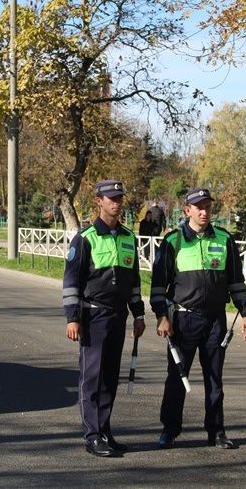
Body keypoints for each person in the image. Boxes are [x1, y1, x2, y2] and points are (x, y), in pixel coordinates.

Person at [151, 187, 246, 450]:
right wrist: (162, 316)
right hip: (183, 321)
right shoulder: (173, 241)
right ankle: (170, 430)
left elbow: (236, 281)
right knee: (176, 376)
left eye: (207, 206)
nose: (204, 211)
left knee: (214, 378)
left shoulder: (224, 240)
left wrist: (245, 313)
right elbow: (158, 286)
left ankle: (216, 431)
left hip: (216, 321)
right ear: (187, 211)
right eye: (199, 207)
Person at [62, 179, 146, 457]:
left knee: (110, 377)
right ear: (98, 201)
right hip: (93, 315)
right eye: (111, 198)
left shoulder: (128, 238)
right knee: (92, 377)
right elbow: (71, 282)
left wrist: (138, 313)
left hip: (118, 315)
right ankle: (93, 435)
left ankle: (106, 430)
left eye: (120, 197)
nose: (117, 202)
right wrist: (72, 318)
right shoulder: (85, 238)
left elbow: (134, 281)